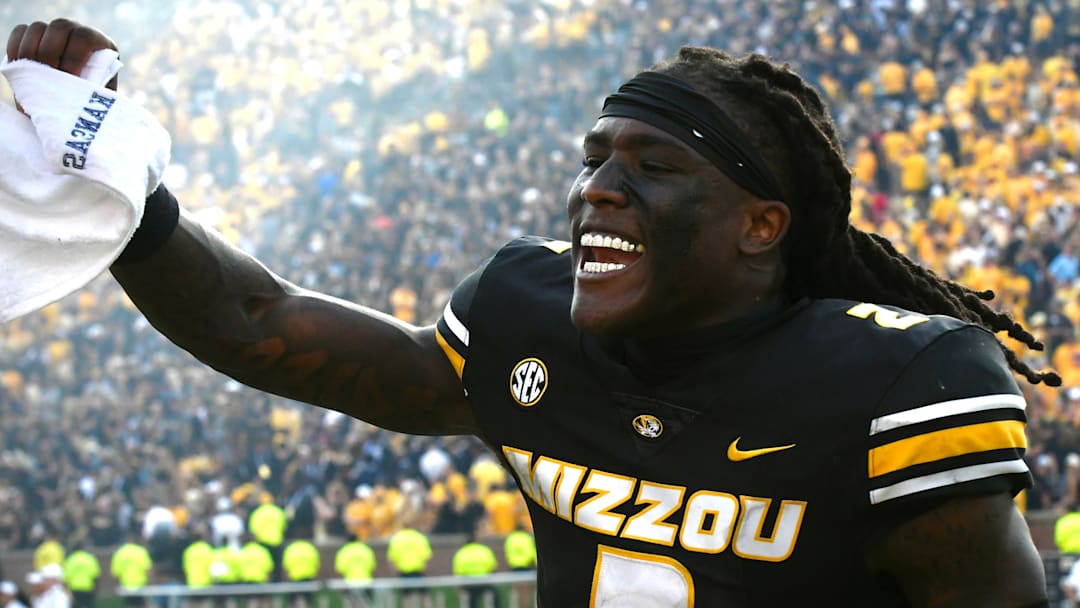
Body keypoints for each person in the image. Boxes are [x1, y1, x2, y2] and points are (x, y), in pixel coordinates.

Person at [6, 18, 1059, 607]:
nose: (597, 188)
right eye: (593, 158)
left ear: (760, 224)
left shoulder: (901, 382)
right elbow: (260, 319)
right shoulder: (526, 314)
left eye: (652, 165)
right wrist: (134, 206)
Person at [61, 542, 100, 608]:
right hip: (88, 588)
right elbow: (96, 575)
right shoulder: (90, 558)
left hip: (74, 590)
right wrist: (95, 589)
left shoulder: (69, 560)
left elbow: (65, 579)